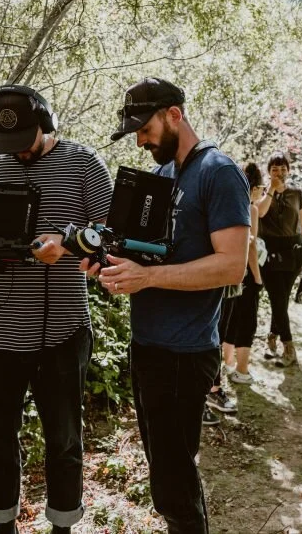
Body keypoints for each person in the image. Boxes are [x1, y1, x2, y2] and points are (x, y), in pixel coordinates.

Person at [0, 85, 113, 534]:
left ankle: (63, 526)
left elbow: (111, 234)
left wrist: (65, 249)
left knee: (63, 440)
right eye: (9, 143)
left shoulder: (84, 163)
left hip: (61, 331)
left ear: (47, 124)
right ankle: (2, 527)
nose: (19, 153)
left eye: (26, 141)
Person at [93, 77, 250, 534]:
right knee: (165, 475)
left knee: (175, 483)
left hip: (185, 353)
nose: (140, 140)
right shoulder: (160, 178)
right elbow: (145, 254)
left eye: (144, 129)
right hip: (147, 345)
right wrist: (106, 264)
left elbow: (231, 267)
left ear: (174, 115)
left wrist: (147, 277)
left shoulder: (219, 171)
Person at [257, 152, 302, 367]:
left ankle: (271, 338)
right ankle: (289, 347)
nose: (279, 172)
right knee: (277, 299)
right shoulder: (261, 192)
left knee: (282, 300)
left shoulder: (297, 193)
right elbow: (258, 213)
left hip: (295, 251)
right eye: (275, 169)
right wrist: (271, 190)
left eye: (283, 168)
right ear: (268, 172)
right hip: (270, 253)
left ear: (289, 169)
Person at [221, 162, 266, 384]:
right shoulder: (251, 208)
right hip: (245, 272)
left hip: (227, 273)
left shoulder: (229, 204)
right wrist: (257, 277)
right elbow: (251, 246)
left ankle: (228, 365)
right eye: (262, 188)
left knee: (229, 321)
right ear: (255, 187)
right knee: (247, 322)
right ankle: (242, 370)